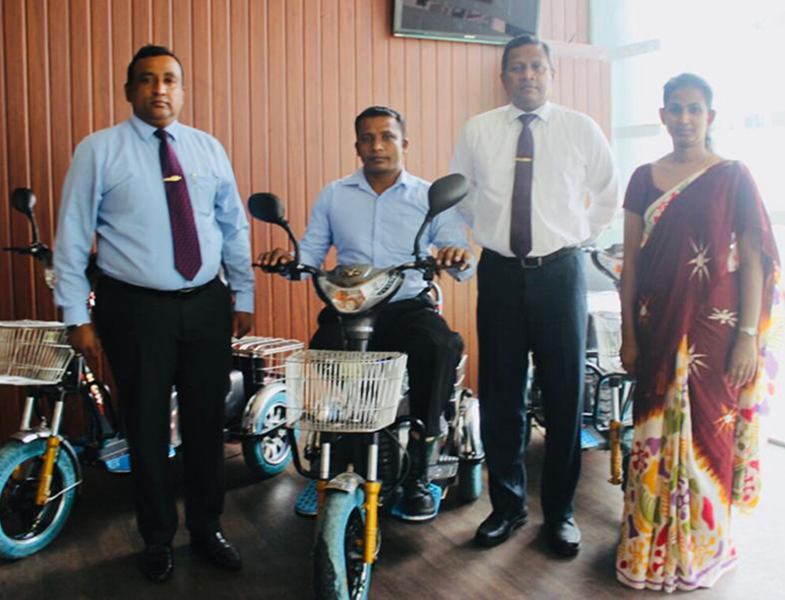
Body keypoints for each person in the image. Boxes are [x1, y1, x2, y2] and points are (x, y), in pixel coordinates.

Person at [53, 45, 255, 583]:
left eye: (169, 80)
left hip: (207, 303)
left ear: (183, 91)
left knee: (208, 422)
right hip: (135, 309)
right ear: (129, 92)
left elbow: (233, 226)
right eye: (146, 80)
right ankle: (157, 536)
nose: (159, 89)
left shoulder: (208, 149)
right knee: (145, 426)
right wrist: (77, 316)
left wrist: (245, 294)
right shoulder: (99, 151)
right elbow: (71, 238)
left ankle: (208, 527)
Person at [257, 106, 475, 520]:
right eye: (367, 138)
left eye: (387, 137)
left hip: (406, 307)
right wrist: (288, 260)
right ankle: (329, 468)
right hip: (349, 309)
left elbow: (457, 252)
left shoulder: (429, 196)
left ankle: (421, 466)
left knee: (441, 345)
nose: (377, 146)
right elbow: (311, 252)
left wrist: (455, 255)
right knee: (321, 354)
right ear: (357, 145)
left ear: (403, 143)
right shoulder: (334, 194)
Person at [450, 34, 619, 556]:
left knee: (566, 395)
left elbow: (609, 192)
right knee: (501, 394)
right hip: (499, 272)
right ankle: (507, 507)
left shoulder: (578, 128)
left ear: (551, 74)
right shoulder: (479, 130)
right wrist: (495, 236)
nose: (528, 75)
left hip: (560, 274)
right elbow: (462, 197)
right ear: (504, 78)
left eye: (537, 67)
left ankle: (561, 514)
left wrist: (574, 236)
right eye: (517, 68)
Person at [615, 73, 780, 592]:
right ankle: (646, 547)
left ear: (710, 116)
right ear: (661, 115)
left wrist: (748, 335)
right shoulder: (643, 177)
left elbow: (753, 258)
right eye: (675, 109)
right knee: (651, 436)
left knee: (711, 432)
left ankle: (703, 547)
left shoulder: (733, 176)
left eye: (694, 109)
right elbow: (632, 264)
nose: (684, 119)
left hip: (716, 333)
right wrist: (628, 334)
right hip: (656, 328)